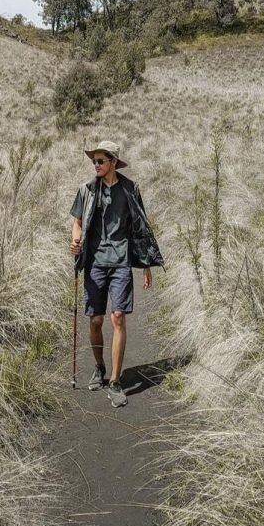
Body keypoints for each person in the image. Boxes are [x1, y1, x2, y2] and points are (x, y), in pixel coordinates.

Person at [70, 140, 165, 408]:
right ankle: (99, 366)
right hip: (94, 263)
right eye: (94, 161)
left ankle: (115, 381)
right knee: (96, 321)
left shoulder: (130, 189)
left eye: (101, 161)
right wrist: (75, 240)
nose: (96, 165)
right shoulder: (87, 191)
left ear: (113, 162)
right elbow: (76, 222)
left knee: (118, 317)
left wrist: (145, 265)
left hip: (121, 263)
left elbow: (141, 228)